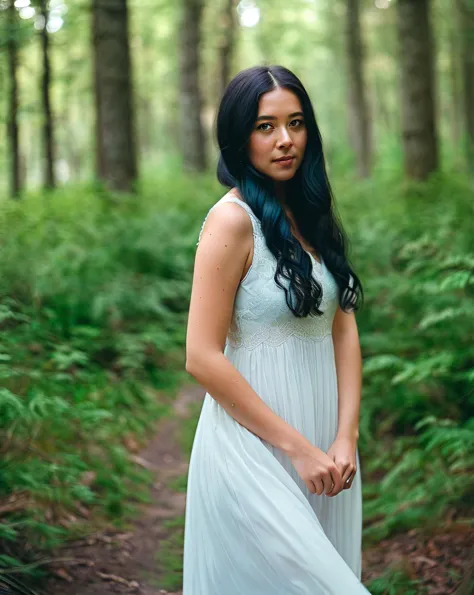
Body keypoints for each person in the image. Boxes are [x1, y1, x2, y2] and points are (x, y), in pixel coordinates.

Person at [183, 65, 369, 594]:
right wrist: (297, 449)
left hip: (327, 442)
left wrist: (344, 436)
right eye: (266, 127)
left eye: (296, 123)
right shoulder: (231, 221)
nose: (285, 141)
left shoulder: (310, 214)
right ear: (239, 139)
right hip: (254, 448)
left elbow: (343, 329)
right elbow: (201, 355)